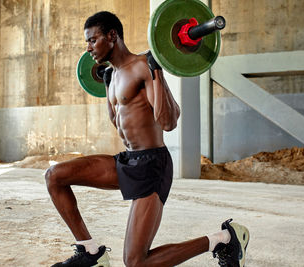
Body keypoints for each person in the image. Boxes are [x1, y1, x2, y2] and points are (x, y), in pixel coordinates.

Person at [45, 11, 249, 267]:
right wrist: (109, 89)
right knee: (55, 177)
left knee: (136, 262)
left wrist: (157, 73)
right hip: (129, 160)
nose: (88, 49)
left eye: (92, 40)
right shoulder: (111, 75)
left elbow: (168, 122)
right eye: (87, 42)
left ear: (112, 35)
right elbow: (119, 121)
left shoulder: (143, 66)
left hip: (153, 166)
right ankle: (90, 252)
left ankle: (225, 239)